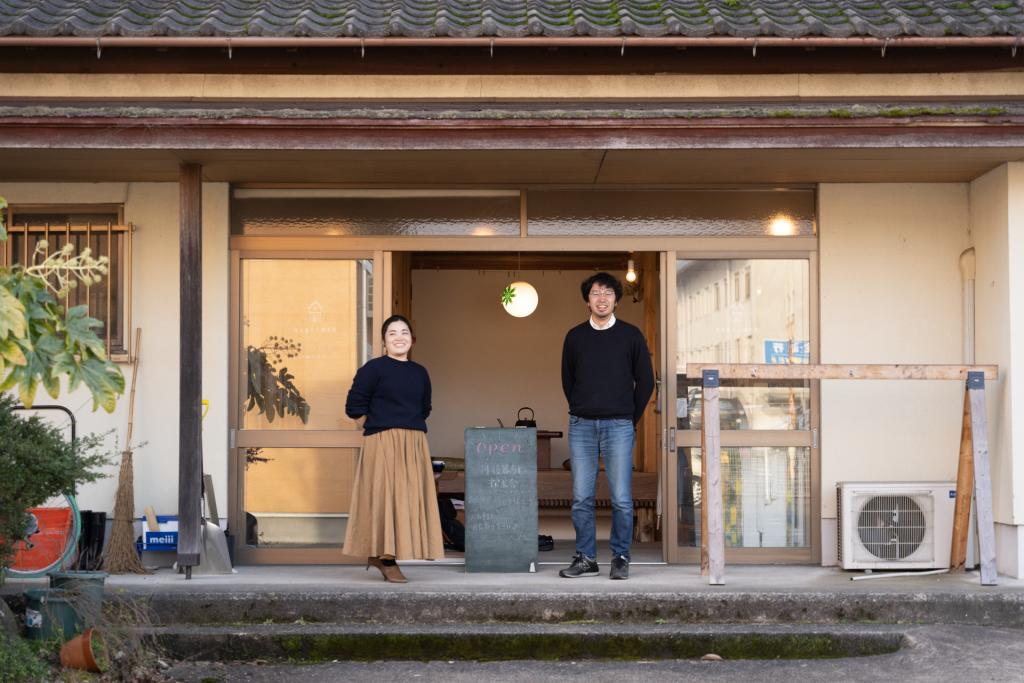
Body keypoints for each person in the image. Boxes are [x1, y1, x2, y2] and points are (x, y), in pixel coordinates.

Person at [559, 272, 655, 580]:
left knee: (622, 498)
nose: (602, 299)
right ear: (587, 300)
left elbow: (646, 382)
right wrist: (582, 407)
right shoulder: (575, 336)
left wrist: (629, 416)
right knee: (581, 497)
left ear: (616, 299)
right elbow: (568, 380)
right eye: (596, 293)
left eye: (608, 293)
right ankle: (586, 557)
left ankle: (621, 556)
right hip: (582, 425)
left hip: (619, 425)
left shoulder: (631, 335)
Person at [342, 314, 444, 582]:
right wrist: (379, 425)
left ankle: (385, 555)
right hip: (383, 440)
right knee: (385, 497)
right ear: (384, 341)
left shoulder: (420, 372)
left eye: (405, 332)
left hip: (413, 443)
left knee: (406, 499)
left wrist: (406, 430)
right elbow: (354, 406)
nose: (399, 337)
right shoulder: (373, 369)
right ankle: (386, 558)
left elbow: (425, 407)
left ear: (412, 339)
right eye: (392, 333)